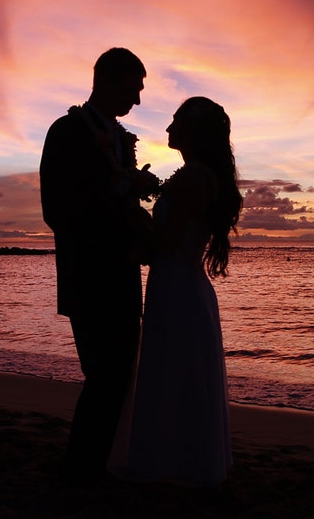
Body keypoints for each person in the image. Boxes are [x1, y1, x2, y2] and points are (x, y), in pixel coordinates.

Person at [110, 96, 242, 486]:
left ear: (193, 131)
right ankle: (184, 459)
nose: (167, 129)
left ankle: (170, 463)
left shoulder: (191, 177)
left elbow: (160, 245)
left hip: (177, 288)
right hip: (183, 285)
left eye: (175, 122)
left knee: (173, 369)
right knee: (180, 372)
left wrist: (129, 219)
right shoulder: (198, 175)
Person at [39, 47, 158, 479]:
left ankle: (99, 463)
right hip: (89, 275)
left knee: (119, 374)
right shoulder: (67, 131)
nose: (138, 101)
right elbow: (57, 210)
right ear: (107, 80)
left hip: (123, 275)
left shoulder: (122, 140)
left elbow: (124, 205)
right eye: (133, 89)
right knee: (103, 374)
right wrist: (118, 195)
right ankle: (82, 469)